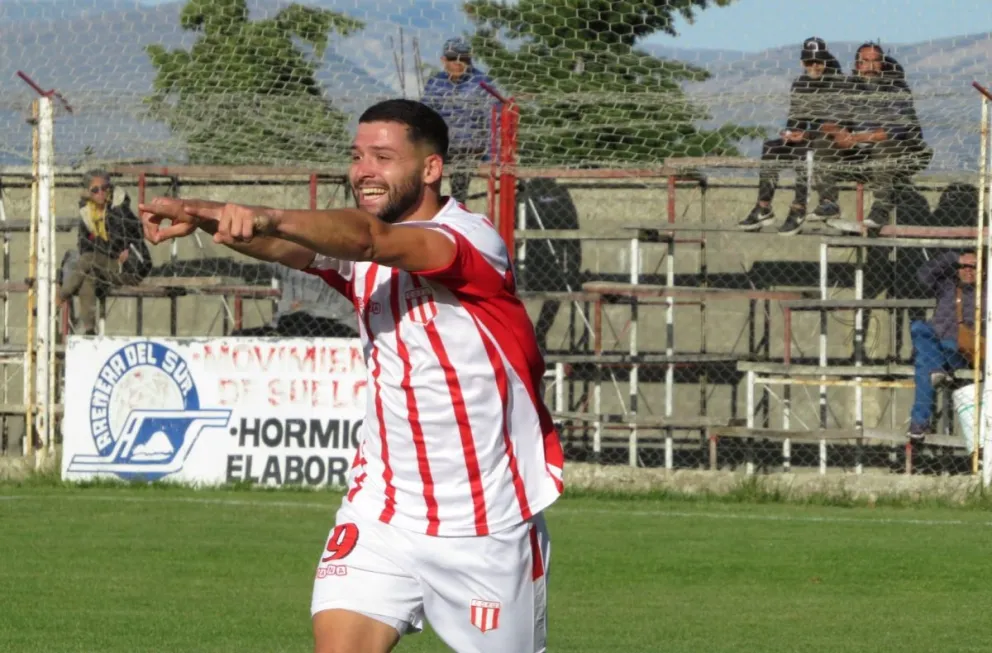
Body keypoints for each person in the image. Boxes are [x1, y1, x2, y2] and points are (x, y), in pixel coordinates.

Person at [138, 99, 563, 653]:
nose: (363, 170)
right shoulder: (361, 249)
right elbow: (293, 245)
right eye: (357, 155)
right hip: (382, 511)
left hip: (484, 524)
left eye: (383, 157)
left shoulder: (471, 240)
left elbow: (370, 240)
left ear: (432, 169)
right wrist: (208, 215)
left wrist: (262, 214)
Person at [738, 37, 847, 235]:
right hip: (806, 138)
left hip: (828, 142)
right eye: (809, 62)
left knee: (804, 151)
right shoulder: (800, 84)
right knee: (771, 147)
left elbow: (840, 124)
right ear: (801, 63)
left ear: (826, 61)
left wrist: (806, 134)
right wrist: (790, 133)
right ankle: (763, 207)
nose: (814, 66)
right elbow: (796, 118)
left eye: (818, 62)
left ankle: (799, 209)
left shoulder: (839, 84)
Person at [819, 43, 932, 233]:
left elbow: (896, 130)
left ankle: (881, 208)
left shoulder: (896, 89)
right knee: (823, 142)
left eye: (876, 61)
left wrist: (855, 138)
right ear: (857, 65)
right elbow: (825, 121)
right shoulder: (848, 88)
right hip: (860, 154)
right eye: (865, 62)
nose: (870, 67)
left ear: (883, 64)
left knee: (885, 145)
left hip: (900, 151)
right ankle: (828, 203)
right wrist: (839, 133)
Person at [59, 170, 152, 334]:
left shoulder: (118, 209)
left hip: (130, 268)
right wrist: (101, 245)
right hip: (106, 265)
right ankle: (89, 331)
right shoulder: (87, 213)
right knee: (87, 275)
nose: (101, 193)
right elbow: (83, 244)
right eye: (95, 190)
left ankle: (59, 297)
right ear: (88, 192)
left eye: (104, 188)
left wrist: (98, 244)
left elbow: (116, 242)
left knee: (88, 259)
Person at [907, 251, 979, 440]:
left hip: (960, 351)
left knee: (925, 364)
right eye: (964, 267)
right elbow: (923, 275)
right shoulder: (948, 285)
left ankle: (918, 423)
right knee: (919, 327)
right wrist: (954, 258)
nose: (968, 271)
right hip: (935, 343)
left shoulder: (986, 293)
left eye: (974, 267)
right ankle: (936, 369)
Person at [421, 37, 495, 205]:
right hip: (440, 146)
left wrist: (490, 157)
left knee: (459, 185)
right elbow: (425, 116)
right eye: (453, 58)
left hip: (469, 149)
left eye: (464, 59)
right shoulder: (436, 83)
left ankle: (457, 210)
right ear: (444, 60)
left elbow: (492, 121)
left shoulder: (481, 83)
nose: (458, 63)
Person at [230, 264, 358, 338]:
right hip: (286, 325)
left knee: (302, 322)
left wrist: (305, 306)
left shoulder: (337, 262)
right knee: (238, 336)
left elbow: (343, 309)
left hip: (330, 323)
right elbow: (259, 270)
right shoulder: (287, 258)